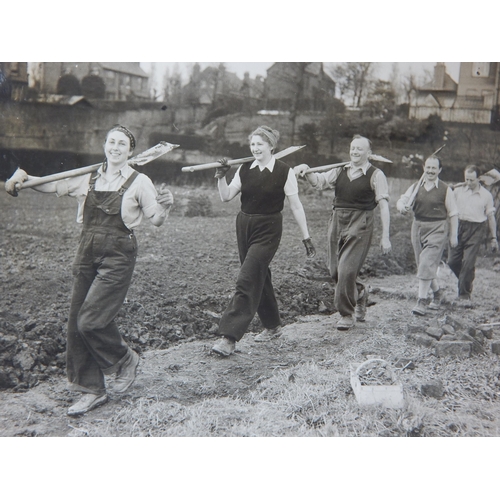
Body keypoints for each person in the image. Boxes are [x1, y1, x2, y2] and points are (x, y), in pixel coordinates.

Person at [5, 125, 174, 415]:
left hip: (119, 255)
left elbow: (155, 219)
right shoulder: (89, 176)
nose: (116, 147)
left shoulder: (139, 181)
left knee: (91, 320)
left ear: (130, 151)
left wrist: (165, 207)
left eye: (122, 144)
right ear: (105, 145)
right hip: (86, 252)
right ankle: (91, 390)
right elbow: (51, 184)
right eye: (111, 142)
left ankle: (124, 360)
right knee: (75, 323)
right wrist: (23, 178)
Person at [212, 125, 316, 356]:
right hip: (244, 225)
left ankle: (228, 337)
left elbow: (296, 205)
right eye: (252, 144)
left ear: (271, 146)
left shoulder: (284, 171)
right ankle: (273, 326)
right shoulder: (245, 168)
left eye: (260, 144)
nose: (255, 148)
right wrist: (221, 177)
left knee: (247, 277)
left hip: (269, 228)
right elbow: (226, 196)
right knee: (260, 274)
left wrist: (306, 236)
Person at [294, 135, 392, 331]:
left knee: (347, 270)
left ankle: (346, 314)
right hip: (337, 220)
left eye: (360, 149)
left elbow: (383, 206)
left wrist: (385, 236)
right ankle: (360, 292)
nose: (355, 152)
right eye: (352, 148)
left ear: (369, 153)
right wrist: (305, 170)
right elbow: (319, 181)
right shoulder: (340, 170)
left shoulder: (376, 175)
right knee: (335, 270)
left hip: (361, 222)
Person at [397, 155, 458, 315]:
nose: (430, 171)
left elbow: (453, 214)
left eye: (434, 168)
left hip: (437, 228)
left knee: (426, 263)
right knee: (423, 265)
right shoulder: (416, 187)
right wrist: (402, 207)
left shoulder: (446, 189)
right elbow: (402, 200)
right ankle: (437, 294)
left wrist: (454, 235)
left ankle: (421, 301)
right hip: (417, 227)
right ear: (424, 168)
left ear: (439, 170)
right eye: (428, 167)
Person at [447, 165, 498, 303]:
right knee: (452, 261)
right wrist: (449, 188)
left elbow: (491, 217)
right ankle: (467, 279)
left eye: (472, 180)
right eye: (466, 180)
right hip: (458, 226)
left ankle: (464, 295)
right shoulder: (458, 191)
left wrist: (494, 238)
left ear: (479, 179)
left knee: (468, 263)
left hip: (476, 229)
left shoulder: (486, 196)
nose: (469, 183)